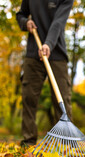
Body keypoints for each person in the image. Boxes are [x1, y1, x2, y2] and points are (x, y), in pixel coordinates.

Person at [16, 0, 73, 146]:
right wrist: (24, 23)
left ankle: (66, 143)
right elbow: (21, 14)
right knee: (29, 97)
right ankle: (28, 142)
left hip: (57, 53)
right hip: (33, 53)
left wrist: (48, 44)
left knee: (62, 100)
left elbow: (58, 23)